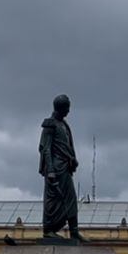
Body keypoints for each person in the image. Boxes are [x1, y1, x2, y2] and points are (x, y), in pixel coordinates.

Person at [39, 93, 81, 241]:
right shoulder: (49, 125)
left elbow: (67, 145)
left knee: (71, 199)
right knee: (53, 200)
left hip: (65, 167)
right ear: (60, 108)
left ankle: (74, 232)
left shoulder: (64, 125)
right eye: (67, 108)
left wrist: (72, 158)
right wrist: (50, 170)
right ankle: (48, 230)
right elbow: (46, 149)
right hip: (55, 169)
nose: (69, 111)